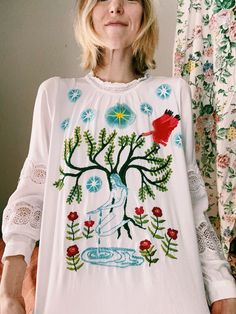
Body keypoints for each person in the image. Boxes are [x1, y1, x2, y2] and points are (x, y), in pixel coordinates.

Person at [0, 0, 236, 313]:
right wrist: (9, 292)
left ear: (145, 14)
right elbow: (30, 200)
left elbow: (193, 205)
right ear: (86, 12)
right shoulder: (55, 95)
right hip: (74, 298)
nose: (115, 7)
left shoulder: (174, 94)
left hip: (170, 296)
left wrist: (223, 286)